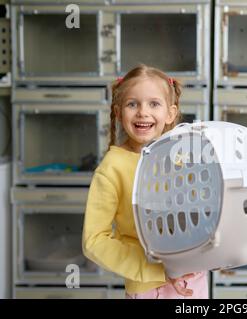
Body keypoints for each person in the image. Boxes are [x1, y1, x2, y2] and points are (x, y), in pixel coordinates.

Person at [82, 64, 208, 299]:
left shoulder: (186, 157)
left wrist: (216, 254)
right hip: (150, 287)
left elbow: (204, 216)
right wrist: (155, 269)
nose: (142, 112)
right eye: (132, 104)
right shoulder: (112, 168)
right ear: (118, 112)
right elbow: (94, 240)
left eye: (154, 103)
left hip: (192, 281)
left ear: (170, 113)